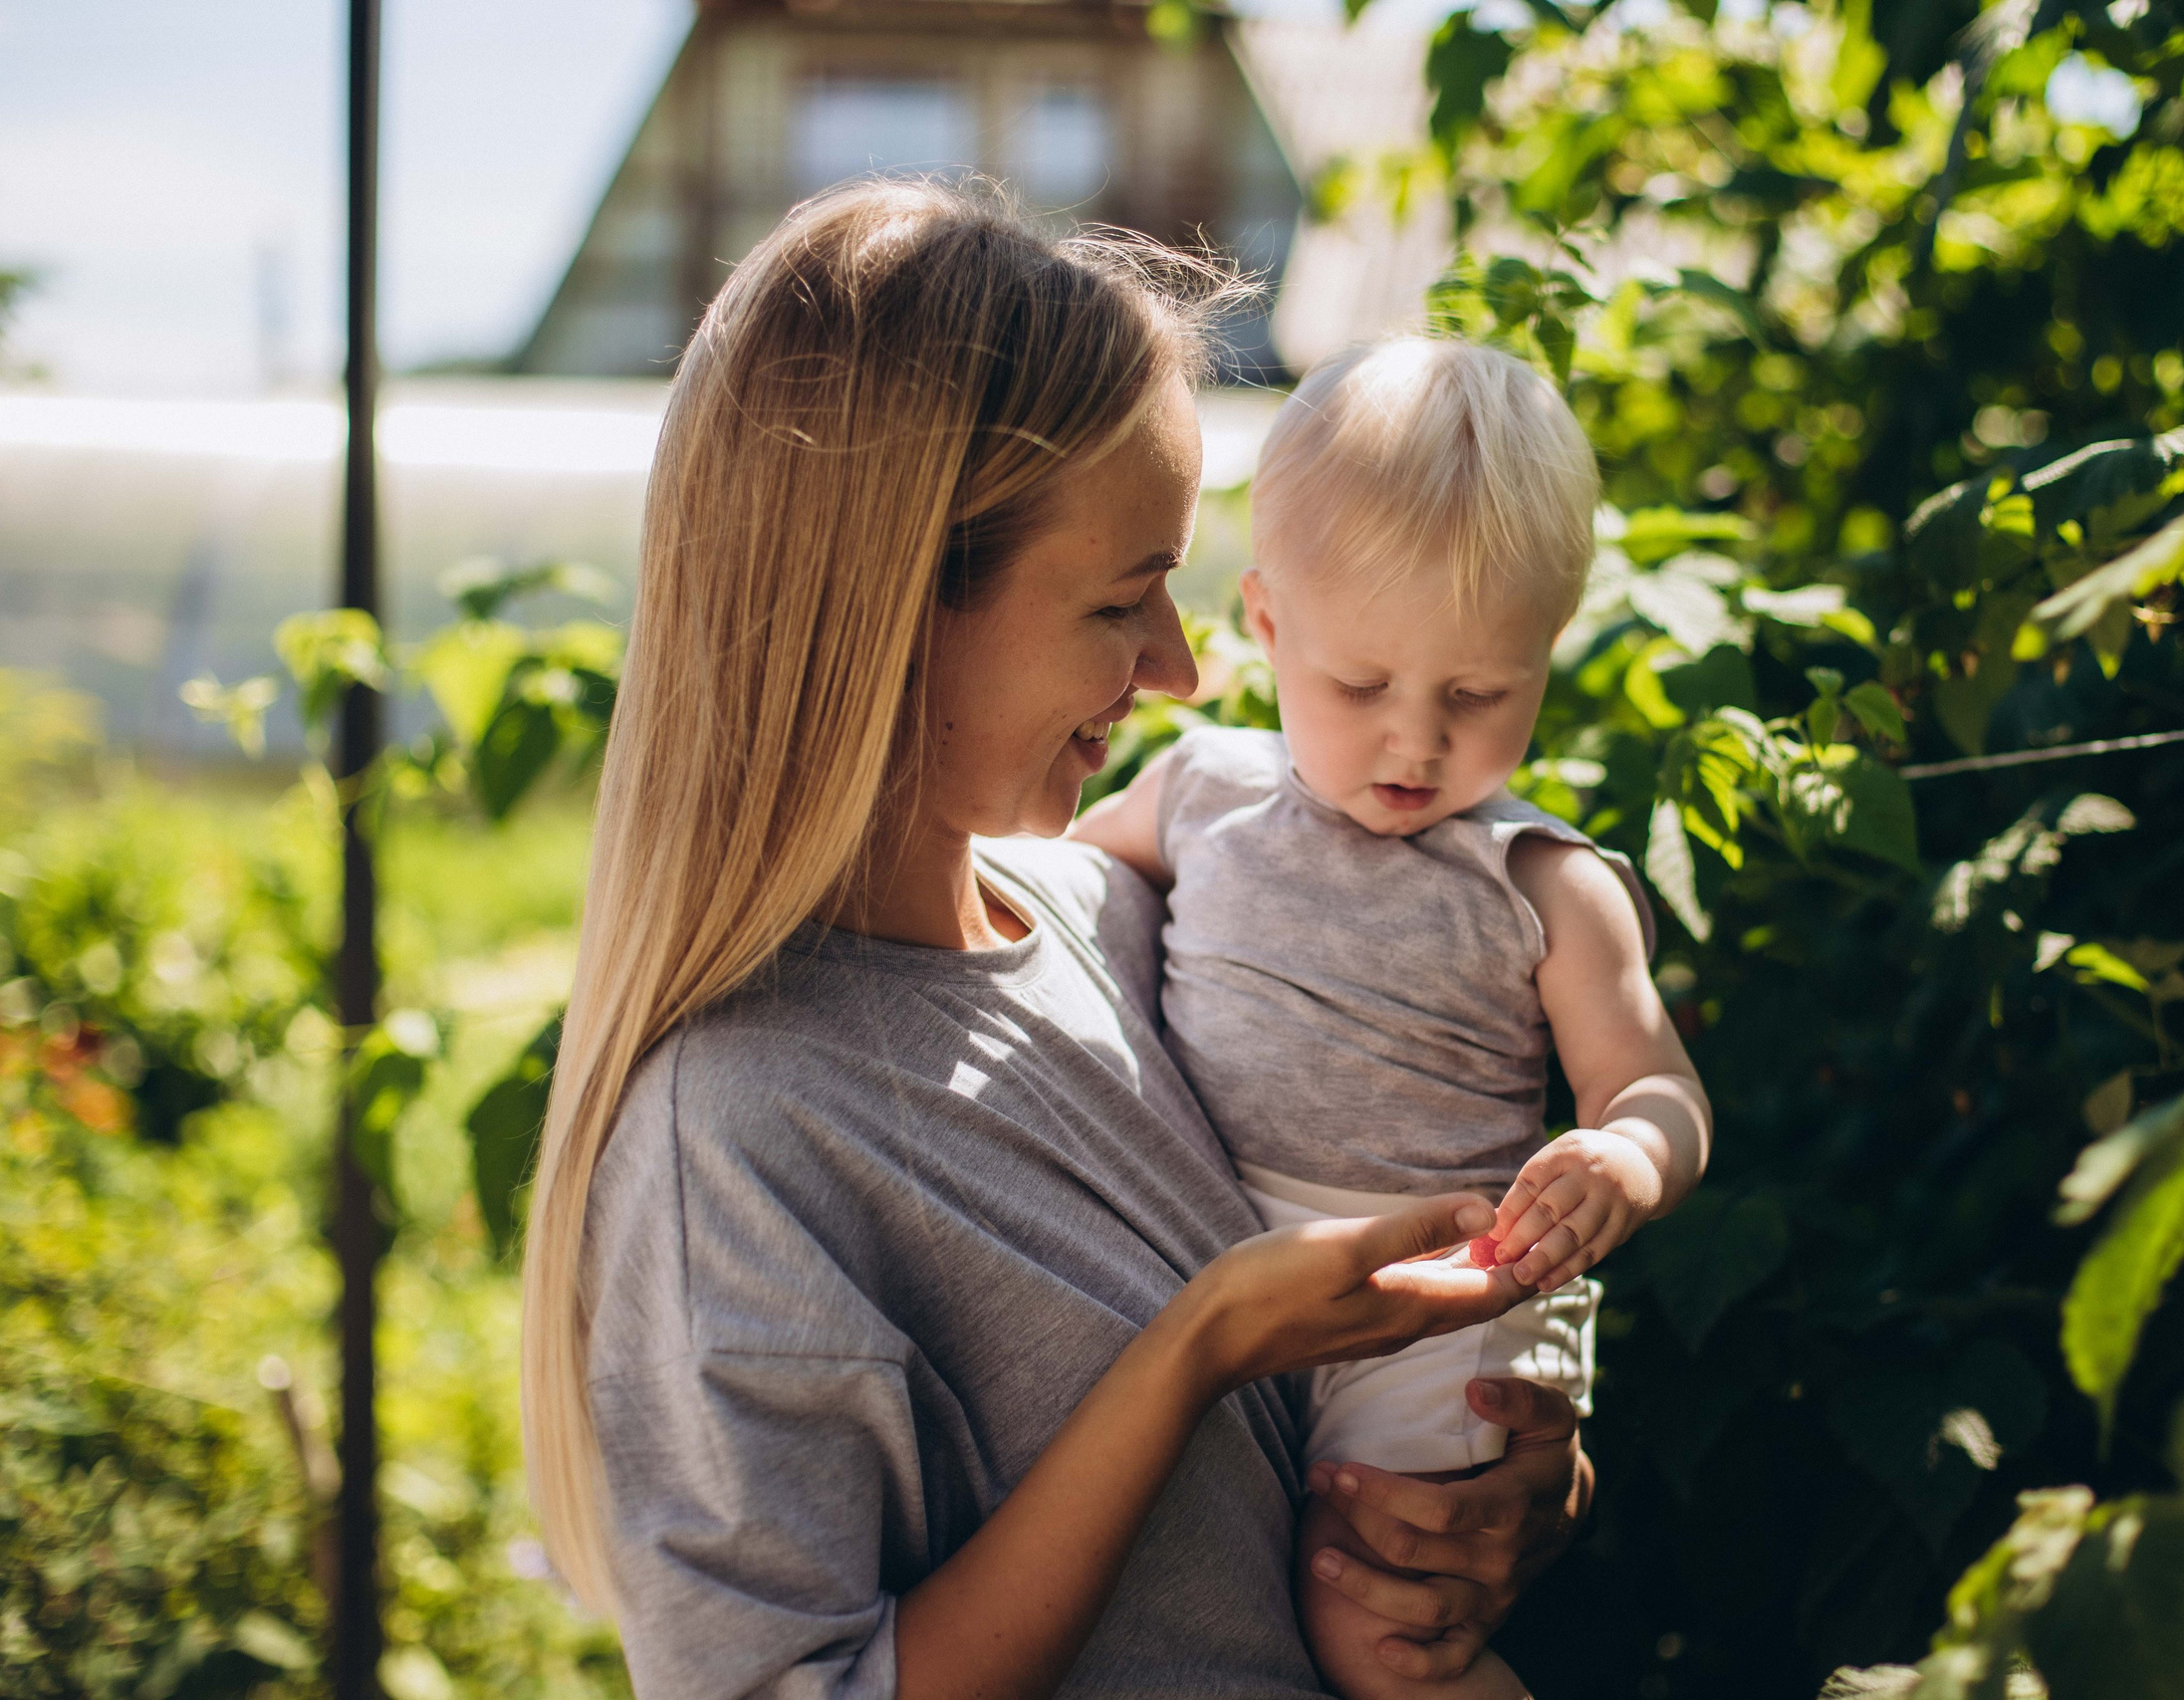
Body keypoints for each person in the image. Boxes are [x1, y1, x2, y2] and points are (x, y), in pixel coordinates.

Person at [516, 182, 1595, 1700]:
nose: (1177, 666)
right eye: (1121, 602)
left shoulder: (1118, 921)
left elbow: (1287, 1493)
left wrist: (1491, 1496)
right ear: (896, 613)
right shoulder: (736, 1148)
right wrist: (1194, 1350)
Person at [1071, 338, 1709, 1699]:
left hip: (1451, 1300)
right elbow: (1049, 880)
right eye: (1362, 688)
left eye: (1479, 697)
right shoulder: (1200, 795)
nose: (1415, 745)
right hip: (1224, 1261)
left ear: (1545, 656)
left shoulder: (1544, 880)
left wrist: (1624, 1160)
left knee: (1384, 1629)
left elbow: (1655, 1085)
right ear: (1265, 627)